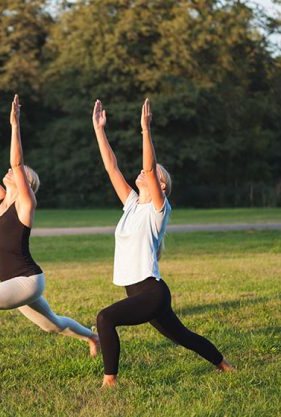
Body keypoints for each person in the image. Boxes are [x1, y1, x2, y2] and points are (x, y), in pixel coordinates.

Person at [92, 98, 233, 387]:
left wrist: (145, 130)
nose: (143, 173)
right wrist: (99, 130)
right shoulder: (132, 204)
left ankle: (110, 380)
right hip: (138, 291)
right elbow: (111, 168)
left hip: (151, 292)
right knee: (182, 335)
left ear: (162, 186)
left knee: (105, 318)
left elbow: (150, 163)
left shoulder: (159, 208)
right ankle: (224, 364)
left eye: (151, 173)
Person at [0, 95, 100, 373]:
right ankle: (92, 336)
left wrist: (15, 125)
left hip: (27, 280)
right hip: (15, 281)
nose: (10, 171)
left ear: (27, 183)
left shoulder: (26, 205)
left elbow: (17, 163)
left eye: (18, 173)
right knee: (53, 324)